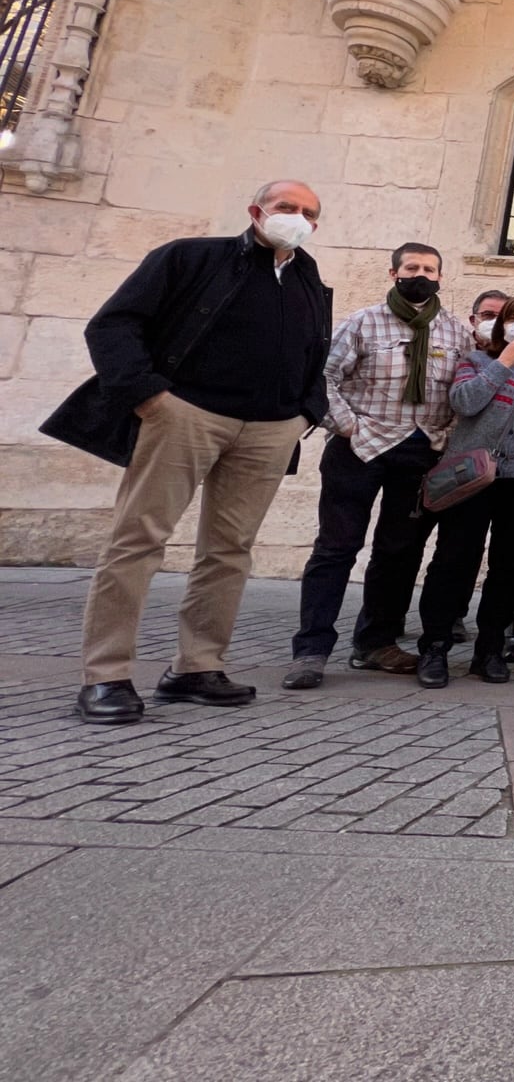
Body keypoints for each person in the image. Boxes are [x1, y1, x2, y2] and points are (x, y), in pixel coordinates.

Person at [50, 180, 330, 725]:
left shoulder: (308, 278)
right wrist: (149, 397)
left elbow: (314, 351)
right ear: (256, 211)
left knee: (230, 550)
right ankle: (105, 675)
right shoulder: (190, 257)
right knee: (139, 540)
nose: (297, 218)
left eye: (308, 213)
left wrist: (306, 413)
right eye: (286, 208)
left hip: (270, 428)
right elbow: (113, 324)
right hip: (184, 415)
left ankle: (196, 667)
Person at [284, 241, 467, 689]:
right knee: (336, 549)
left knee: (399, 552)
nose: (420, 274)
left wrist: (444, 437)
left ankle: (375, 643)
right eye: (411, 267)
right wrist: (347, 426)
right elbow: (323, 376)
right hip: (359, 449)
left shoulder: (456, 333)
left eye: (429, 268)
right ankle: (311, 650)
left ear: (441, 277)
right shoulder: (362, 323)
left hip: (421, 452)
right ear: (394, 274)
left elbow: (463, 390)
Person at [414, 296, 514, 686]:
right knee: (454, 560)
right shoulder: (476, 362)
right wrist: (504, 362)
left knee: (512, 566)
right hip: (472, 476)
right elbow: (464, 403)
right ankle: (435, 645)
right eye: (512, 318)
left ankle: (489, 649)